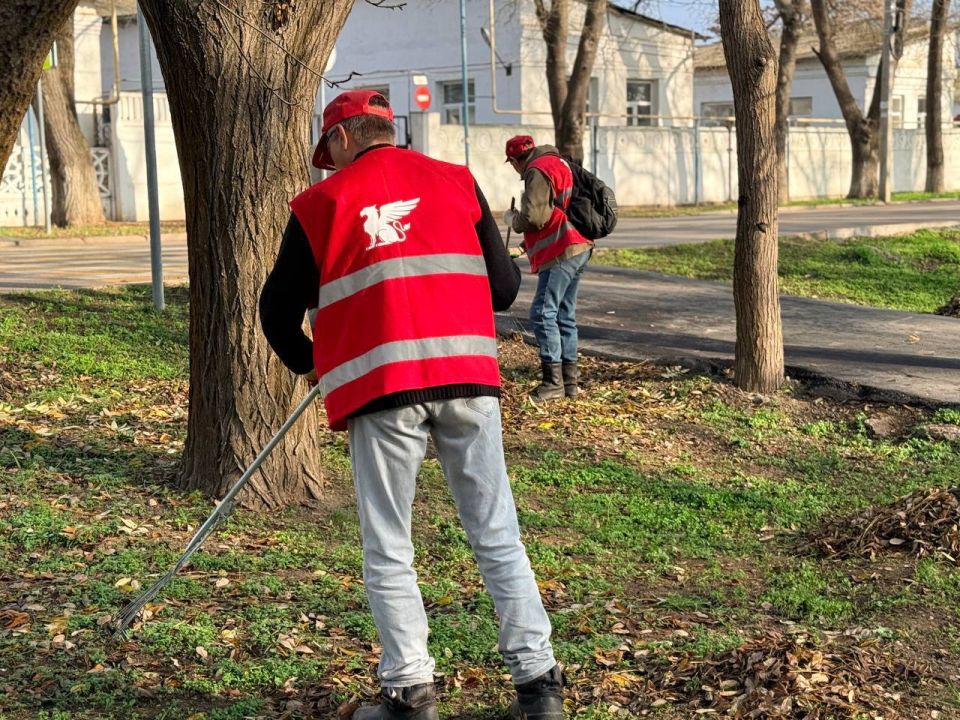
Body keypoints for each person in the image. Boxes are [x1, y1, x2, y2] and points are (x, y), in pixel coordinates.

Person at [259, 91, 564, 720]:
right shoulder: (456, 182)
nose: (329, 164)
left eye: (329, 153)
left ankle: (409, 694)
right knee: (496, 531)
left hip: (380, 390)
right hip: (469, 379)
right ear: (388, 131)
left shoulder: (322, 204)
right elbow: (504, 288)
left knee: (390, 542)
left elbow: (276, 313)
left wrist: (314, 361)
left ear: (342, 139)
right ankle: (539, 688)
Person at [503, 136, 593, 403]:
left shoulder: (536, 170)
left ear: (517, 160)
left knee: (543, 313)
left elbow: (535, 217)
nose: (514, 169)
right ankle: (570, 383)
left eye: (511, 163)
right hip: (579, 244)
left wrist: (512, 219)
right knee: (564, 315)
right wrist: (523, 247)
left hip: (562, 249)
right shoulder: (558, 163)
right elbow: (555, 211)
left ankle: (552, 384)